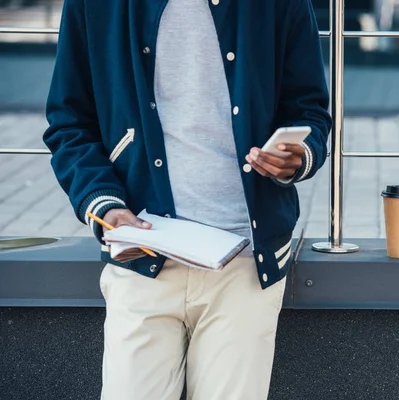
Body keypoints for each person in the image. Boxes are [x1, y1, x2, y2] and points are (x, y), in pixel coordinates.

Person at [42, 0, 331, 399]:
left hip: (246, 263)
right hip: (142, 255)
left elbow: (309, 110)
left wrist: (295, 157)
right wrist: (106, 206)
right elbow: (69, 124)